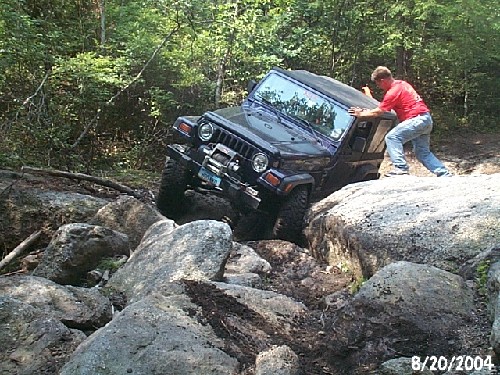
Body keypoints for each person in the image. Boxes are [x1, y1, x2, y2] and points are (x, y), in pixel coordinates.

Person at [348, 66, 452, 177]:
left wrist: (361, 114)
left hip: (416, 120)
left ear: (382, 80)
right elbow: (383, 107)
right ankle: (444, 174)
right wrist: (368, 100)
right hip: (425, 119)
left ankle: (401, 168)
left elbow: (378, 112)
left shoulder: (393, 92)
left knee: (392, 137)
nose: (379, 87)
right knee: (422, 153)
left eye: (378, 84)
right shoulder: (402, 84)